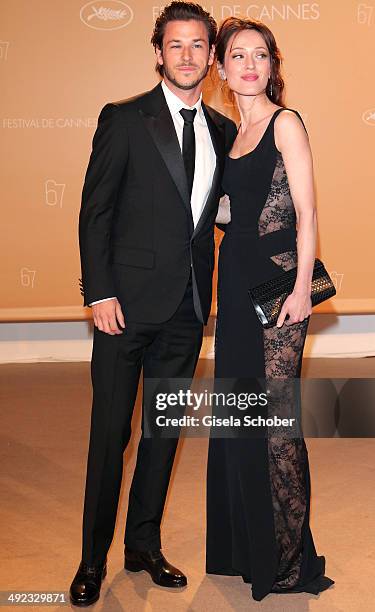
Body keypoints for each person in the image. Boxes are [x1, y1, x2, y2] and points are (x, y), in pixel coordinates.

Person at [69, 2, 237, 606]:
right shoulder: (124, 119)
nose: (187, 56)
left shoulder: (223, 130)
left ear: (211, 58)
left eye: (198, 46)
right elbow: (96, 213)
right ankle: (92, 560)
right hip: (124, 308)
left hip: (187, 311)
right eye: (176, 45)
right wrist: (101, 292)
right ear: (158, 53)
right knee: (110, 435)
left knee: (163, 434)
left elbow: (212, 212)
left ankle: (143, 546)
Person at [206, 16, 335, 601]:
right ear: (222, 67)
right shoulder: (230, 136)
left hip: (280, 288)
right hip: (234, 289)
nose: (250, 64)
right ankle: (248, 547)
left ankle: (287, 559)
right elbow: (240, 212)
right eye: (239, 55)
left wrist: (304, 288)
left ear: (272, 65)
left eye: (261, 55)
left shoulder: (287, 123)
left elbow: (306, 213)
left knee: (276, 425)